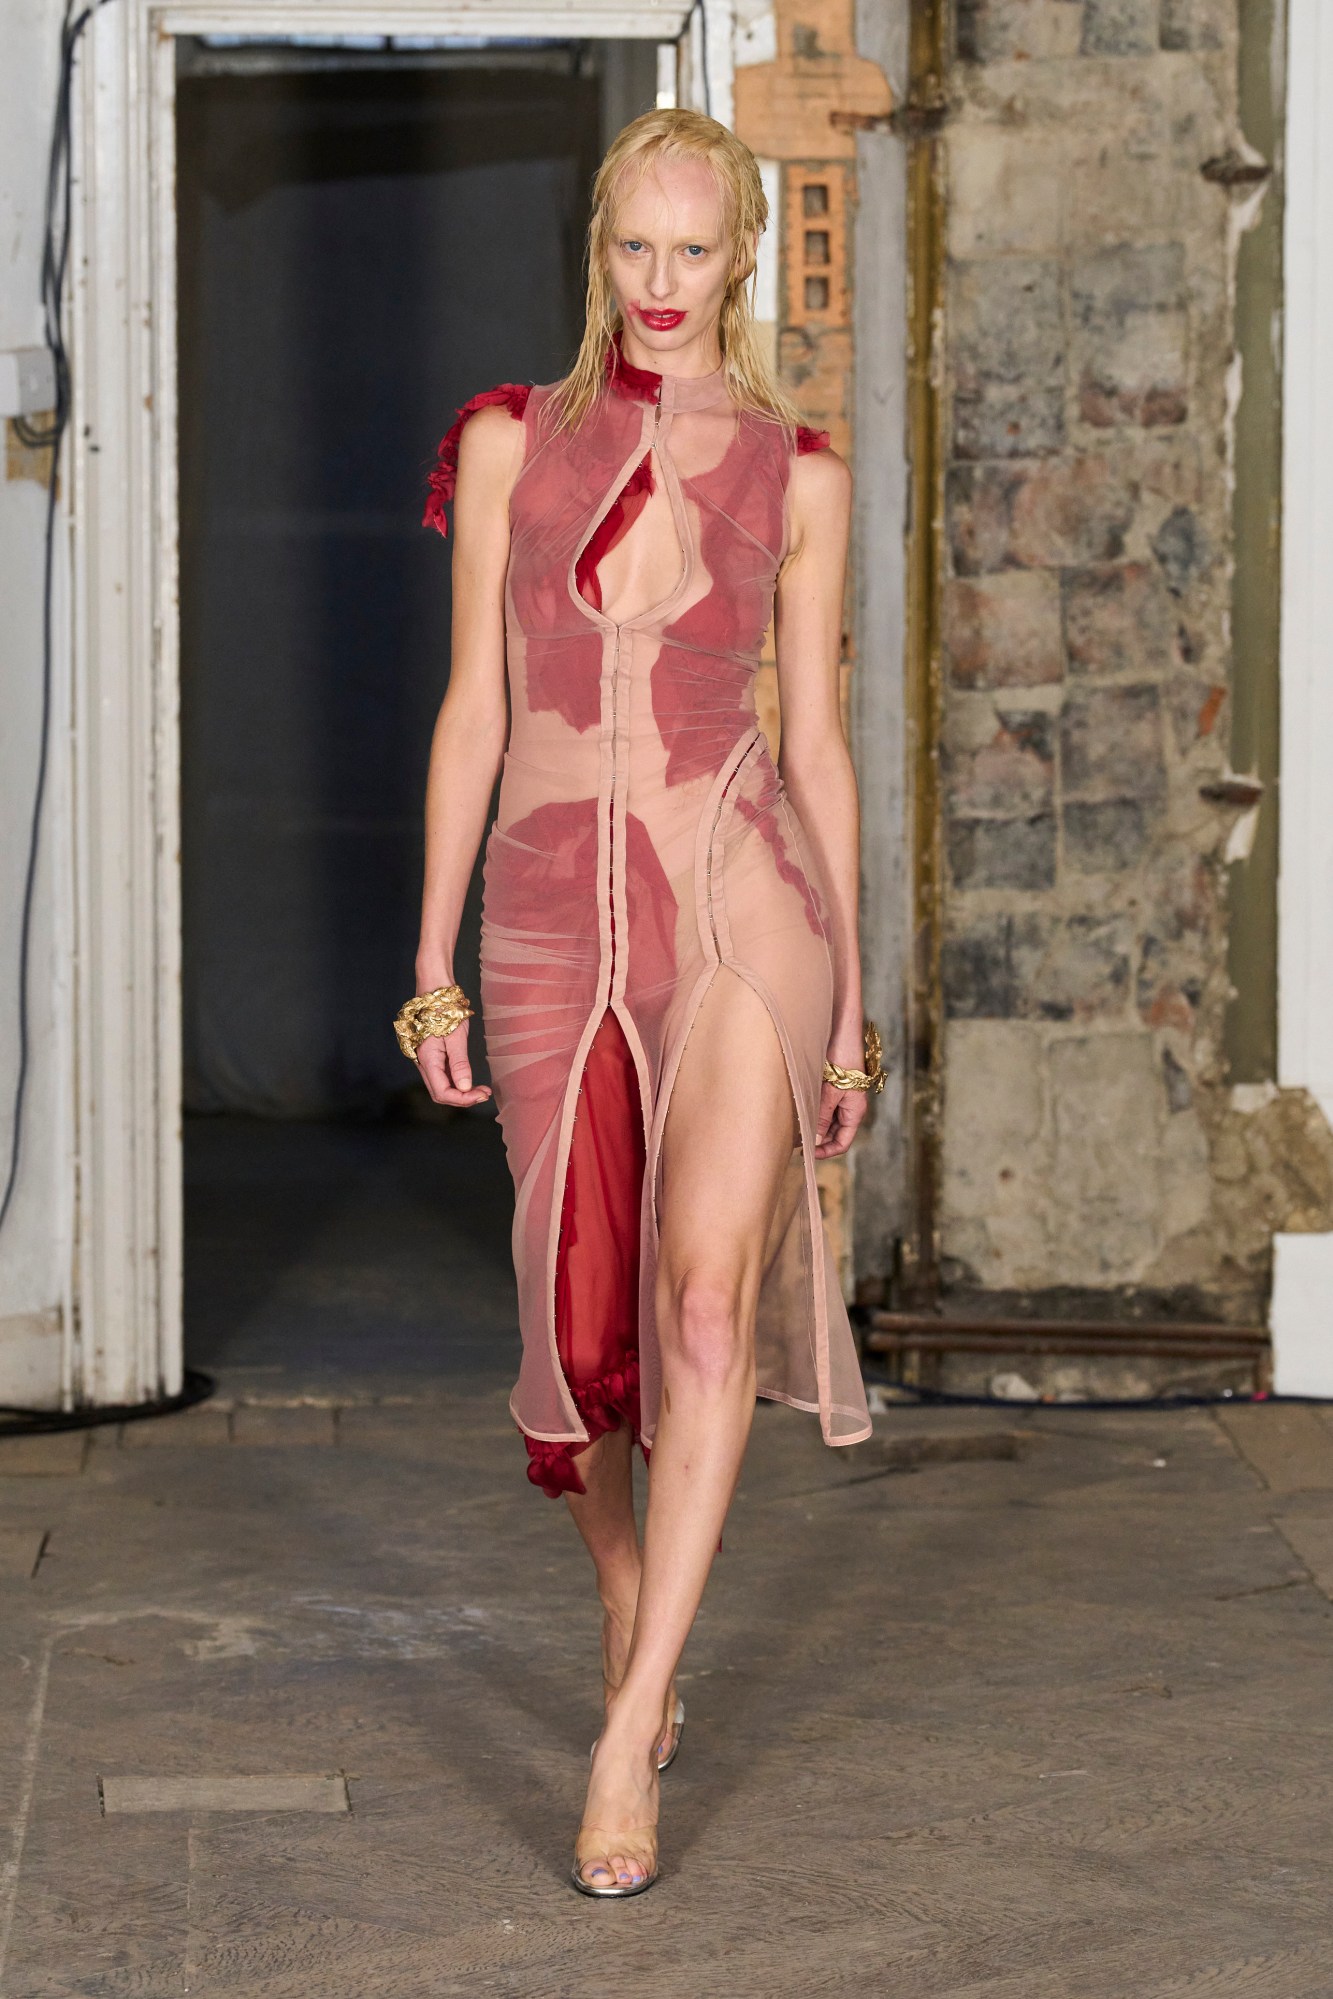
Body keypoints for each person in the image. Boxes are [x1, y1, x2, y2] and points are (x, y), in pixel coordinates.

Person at [399, 106, 879, 1899]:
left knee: (698, 1301)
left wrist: (852, 1007)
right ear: (597, 250)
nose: (662, 283)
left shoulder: (799, 476)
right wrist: (428, 966)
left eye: (694, 249)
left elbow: (816, 749)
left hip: (739, 896)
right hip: (540, 910)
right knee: (572, 1316)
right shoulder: (508, 443)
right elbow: (474, 710)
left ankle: (629, 1732)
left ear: (741, 256)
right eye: (633, 248)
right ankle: (626, 1599)